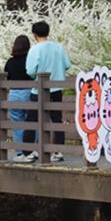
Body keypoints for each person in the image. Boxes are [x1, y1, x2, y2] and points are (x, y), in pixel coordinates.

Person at [26, 20, 71, 162]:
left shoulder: (35, 49)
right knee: (56, 119)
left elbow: (31, 71)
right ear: (48, 32)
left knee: (32, 119)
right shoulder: (59, 48)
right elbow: (68, 65)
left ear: (34, 34)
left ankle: (28, 151)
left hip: (38, 89)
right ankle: (58, 151)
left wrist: (36, 75)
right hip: (56, 88)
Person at [4, 35, 36, 162]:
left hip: (14, 94)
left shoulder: (10, 62)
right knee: (32, 122)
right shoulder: (30, 60)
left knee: (17, 125)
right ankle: (32, 150)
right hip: (29, 92)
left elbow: (7, 77)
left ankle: (20, 153)